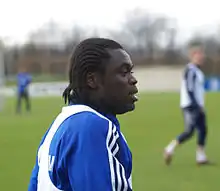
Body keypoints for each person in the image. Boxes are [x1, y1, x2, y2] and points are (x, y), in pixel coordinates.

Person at [28, 38, 138, 191]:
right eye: (124, 72)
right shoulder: (91, 127)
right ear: (92, 80)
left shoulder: (59, 126)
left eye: (131, 72)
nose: (133, 80)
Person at [164, 41, 209, 165]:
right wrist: (195, 104)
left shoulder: (198, 71)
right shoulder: (191, 70)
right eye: (198, 55)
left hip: (197, 106)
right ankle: (169, 148)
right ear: (193, 56)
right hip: (190, 106)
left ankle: (201, 157)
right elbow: (189, 88)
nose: (201, 57)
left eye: (201, 55)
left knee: (203, 130)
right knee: (190, 131)